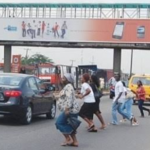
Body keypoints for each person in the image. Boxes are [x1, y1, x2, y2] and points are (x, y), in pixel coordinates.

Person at [55, 73, 80, 147]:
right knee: (70, 125)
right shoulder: (68, 87)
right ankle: (75, 142)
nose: (62, 79)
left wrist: (67, 109)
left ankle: (68, 139)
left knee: (59, 123)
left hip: (70, 110)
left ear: (68, 80)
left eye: (64, 78)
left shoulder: (68, 86)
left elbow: (69, 99)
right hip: (72, 109)